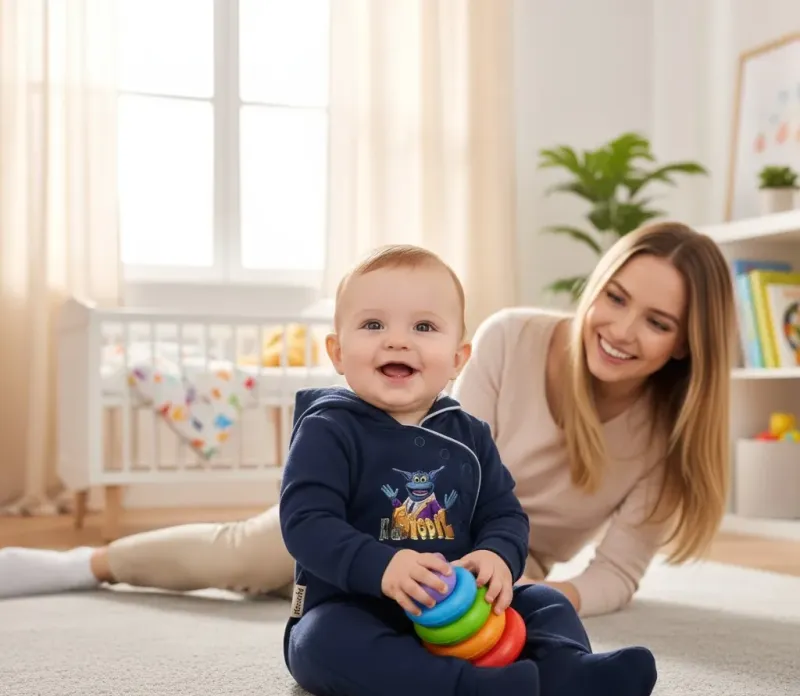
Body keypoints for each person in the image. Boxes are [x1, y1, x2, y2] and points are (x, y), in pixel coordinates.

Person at [0, 221, 737, 624]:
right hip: (382, 506)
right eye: (614, 297)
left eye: (657, 321)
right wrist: (375, 557)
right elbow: (426, 452)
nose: (620, 328)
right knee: (247, 561)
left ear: (686, 345)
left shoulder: (666, 440)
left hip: (500, 560)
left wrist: (536, 591)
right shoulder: (514, 338)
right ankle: (88, 564)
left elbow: (616, 574)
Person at [279, 244, 657, 696]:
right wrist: (384, 566)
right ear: (336, 351)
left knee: (544, 601)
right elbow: (306, 524)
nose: (397, 342)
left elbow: (504, 514)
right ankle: (469, 693)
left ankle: (566, 672)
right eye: (373, 325)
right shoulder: (328, 428)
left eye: (424, 327)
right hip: (359, 608)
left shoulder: (470, 433)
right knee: (318, 645)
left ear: (458, 359)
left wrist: (499, 556)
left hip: (464, 612)